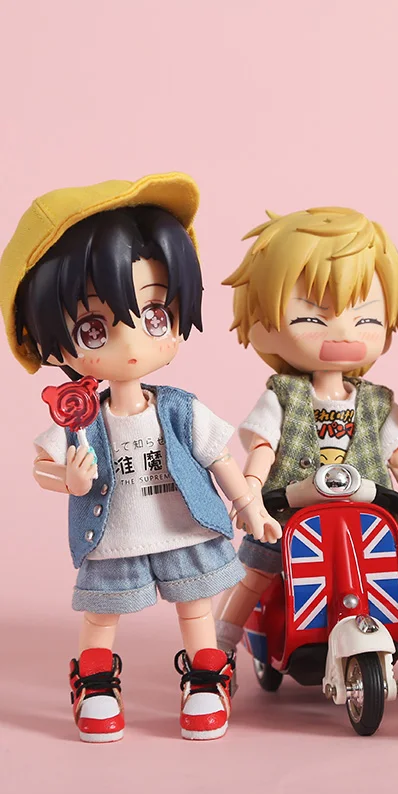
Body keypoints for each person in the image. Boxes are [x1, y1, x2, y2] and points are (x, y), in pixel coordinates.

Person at [0, 173, 275, 742]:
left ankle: (206, 678)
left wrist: (249, 504)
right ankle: (96, 683)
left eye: (153, 316)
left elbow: (217, 456)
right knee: (101, 614)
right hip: (113, 535)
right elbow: (40, 465)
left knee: (195, 609)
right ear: (48, 339)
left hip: (183, 528)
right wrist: (68, 480)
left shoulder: (178, 407)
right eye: (93, 328)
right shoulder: (81, 417)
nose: (132, 344)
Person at [214, 206, 398, 696]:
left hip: (365, 513)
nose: (343, 332)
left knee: (386, 576)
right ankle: (220, 645)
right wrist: (251, 494)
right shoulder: (283, 394)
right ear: (264, 324)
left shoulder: (375, 400)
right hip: (288, 510)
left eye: (366, 317)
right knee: (257, 572)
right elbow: (264, 445)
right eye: (311, 317)